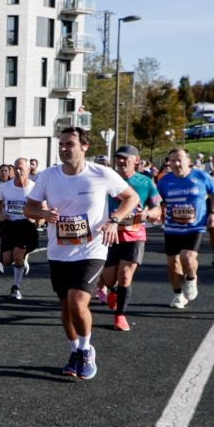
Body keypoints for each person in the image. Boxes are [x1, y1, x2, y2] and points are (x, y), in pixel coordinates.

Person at [23, 127, 139, 380]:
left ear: (84, 146)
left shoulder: (102, 174)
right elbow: (29, 207)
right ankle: (75, 351)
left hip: (92, 249)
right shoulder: (47, 176)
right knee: (65, 308)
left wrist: (115, 219)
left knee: (77, 302)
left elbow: (131, 197)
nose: (64, 148)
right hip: (59, 251)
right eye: (62, 144)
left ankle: (86, 350)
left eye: (70, 144)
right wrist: (42, 214)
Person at [96, 145, 162, 332]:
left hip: (134, 235)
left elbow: (158, 210)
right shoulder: (107, 180)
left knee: (125, 276)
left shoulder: (146, 182)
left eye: (125, 158)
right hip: (109, 236)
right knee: (109, 280)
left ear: (137, 160)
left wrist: (147, 214)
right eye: (118, 158)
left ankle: (120, 316)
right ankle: (113, 291)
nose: (121, 161)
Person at [156, 148, 214, 309]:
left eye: (179, 160)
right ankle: (178, 295)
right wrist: (157, 213)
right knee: (173, 263)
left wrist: (213, 213)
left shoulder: (201, 176)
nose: (176, 164)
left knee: (187, 257)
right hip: (172, 228)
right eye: (172, 161)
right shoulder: (164, 181)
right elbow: (158, 202)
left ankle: (191, 278)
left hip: (195, 226)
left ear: (188, 160)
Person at [0, 159, 39, 300]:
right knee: (7, 260)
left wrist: (37, 219)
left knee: (18, 256)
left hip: (26, 225)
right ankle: (22, 259)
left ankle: (16, 287)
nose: (18, 171)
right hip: (9, 224)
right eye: (16, 168)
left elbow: (43, 208)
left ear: (28, 170)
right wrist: (0, 213)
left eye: (21, 169)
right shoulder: (6, 187)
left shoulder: (34, 187)